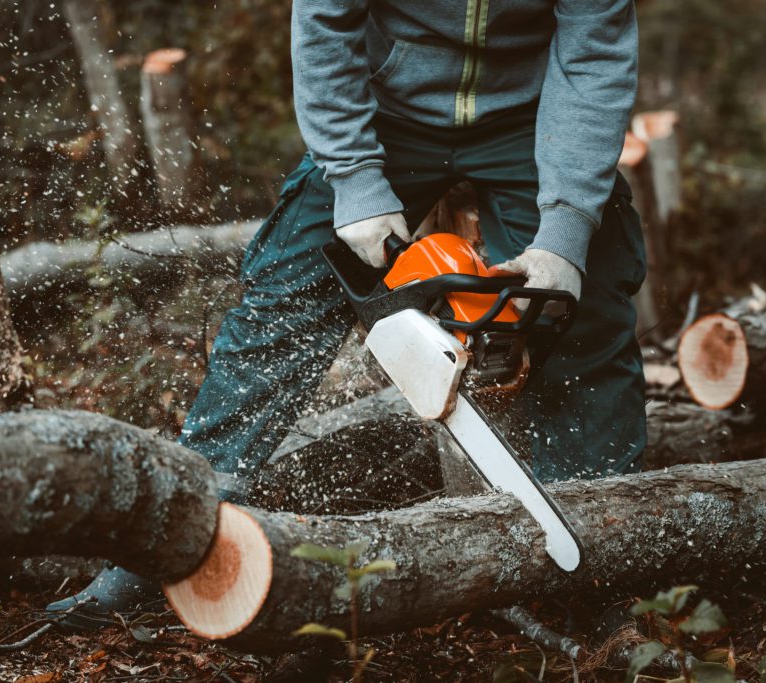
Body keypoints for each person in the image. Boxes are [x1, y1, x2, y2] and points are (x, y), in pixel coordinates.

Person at [49, 0, 645, 627]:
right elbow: (325, 21)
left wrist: (566, 231)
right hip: (387, 110)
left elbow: (594, 52)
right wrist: (356, 177)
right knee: (282, 300)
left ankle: (603, 555)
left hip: (536, 115)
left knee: (584, 315)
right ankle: (174, 525)